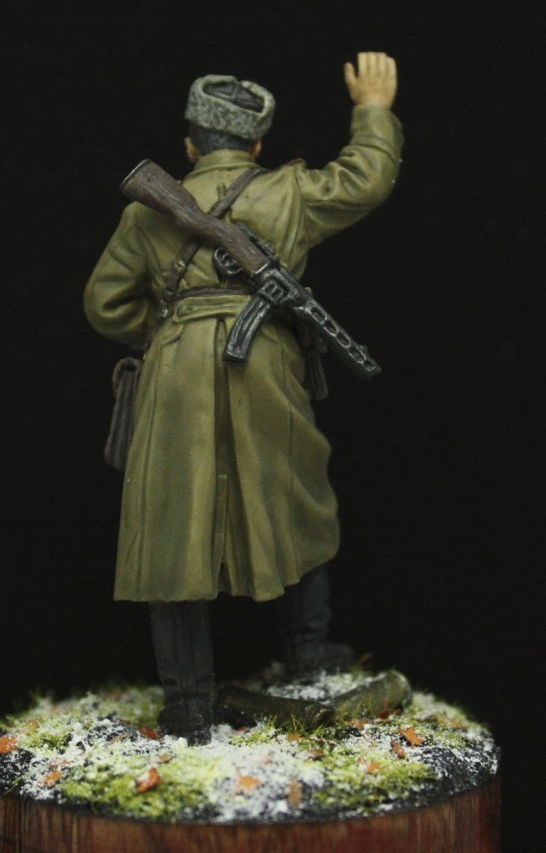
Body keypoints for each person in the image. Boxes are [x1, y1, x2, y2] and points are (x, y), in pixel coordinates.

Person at [84, 53, 403, 744]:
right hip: (267, 366)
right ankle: (306, 650)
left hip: (175, 374)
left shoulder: (145, 216)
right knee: (297, 494)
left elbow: (106, 303)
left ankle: (188, 704)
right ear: (257, 146)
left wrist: (176, 328)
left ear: (190, 145)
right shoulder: (287, 191)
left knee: (172, 522)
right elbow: (367, 178)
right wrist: (373, 108)